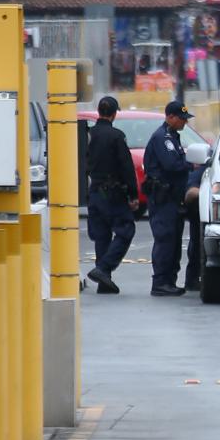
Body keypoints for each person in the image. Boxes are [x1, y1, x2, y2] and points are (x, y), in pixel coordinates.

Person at [84, 95, 138, 294]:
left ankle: (103, 282)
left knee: (101, 236)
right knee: (126, 230)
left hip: (94, 192)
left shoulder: (88, 135)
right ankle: (104, 269)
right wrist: (133, 194)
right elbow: (126, 167)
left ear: (99, 112)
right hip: (112, 193)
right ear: (114, 114)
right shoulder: (116, 136)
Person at [142, 101, 194, 297]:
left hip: (173, 198)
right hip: (163, 198)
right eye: (182, 119)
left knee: (173, 239)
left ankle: (169, 280)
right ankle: (161, 282)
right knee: (165, 239)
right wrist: (191, 165)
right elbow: (172, 164)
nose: (184, 123)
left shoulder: (172, 137)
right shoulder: (162, 138)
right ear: (170, 117)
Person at [181, 141, 210, 293]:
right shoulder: (208, 170)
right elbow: (190, 193)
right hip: (204, 217)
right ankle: (192, 280)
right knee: (198, 246)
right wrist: (209, 195)